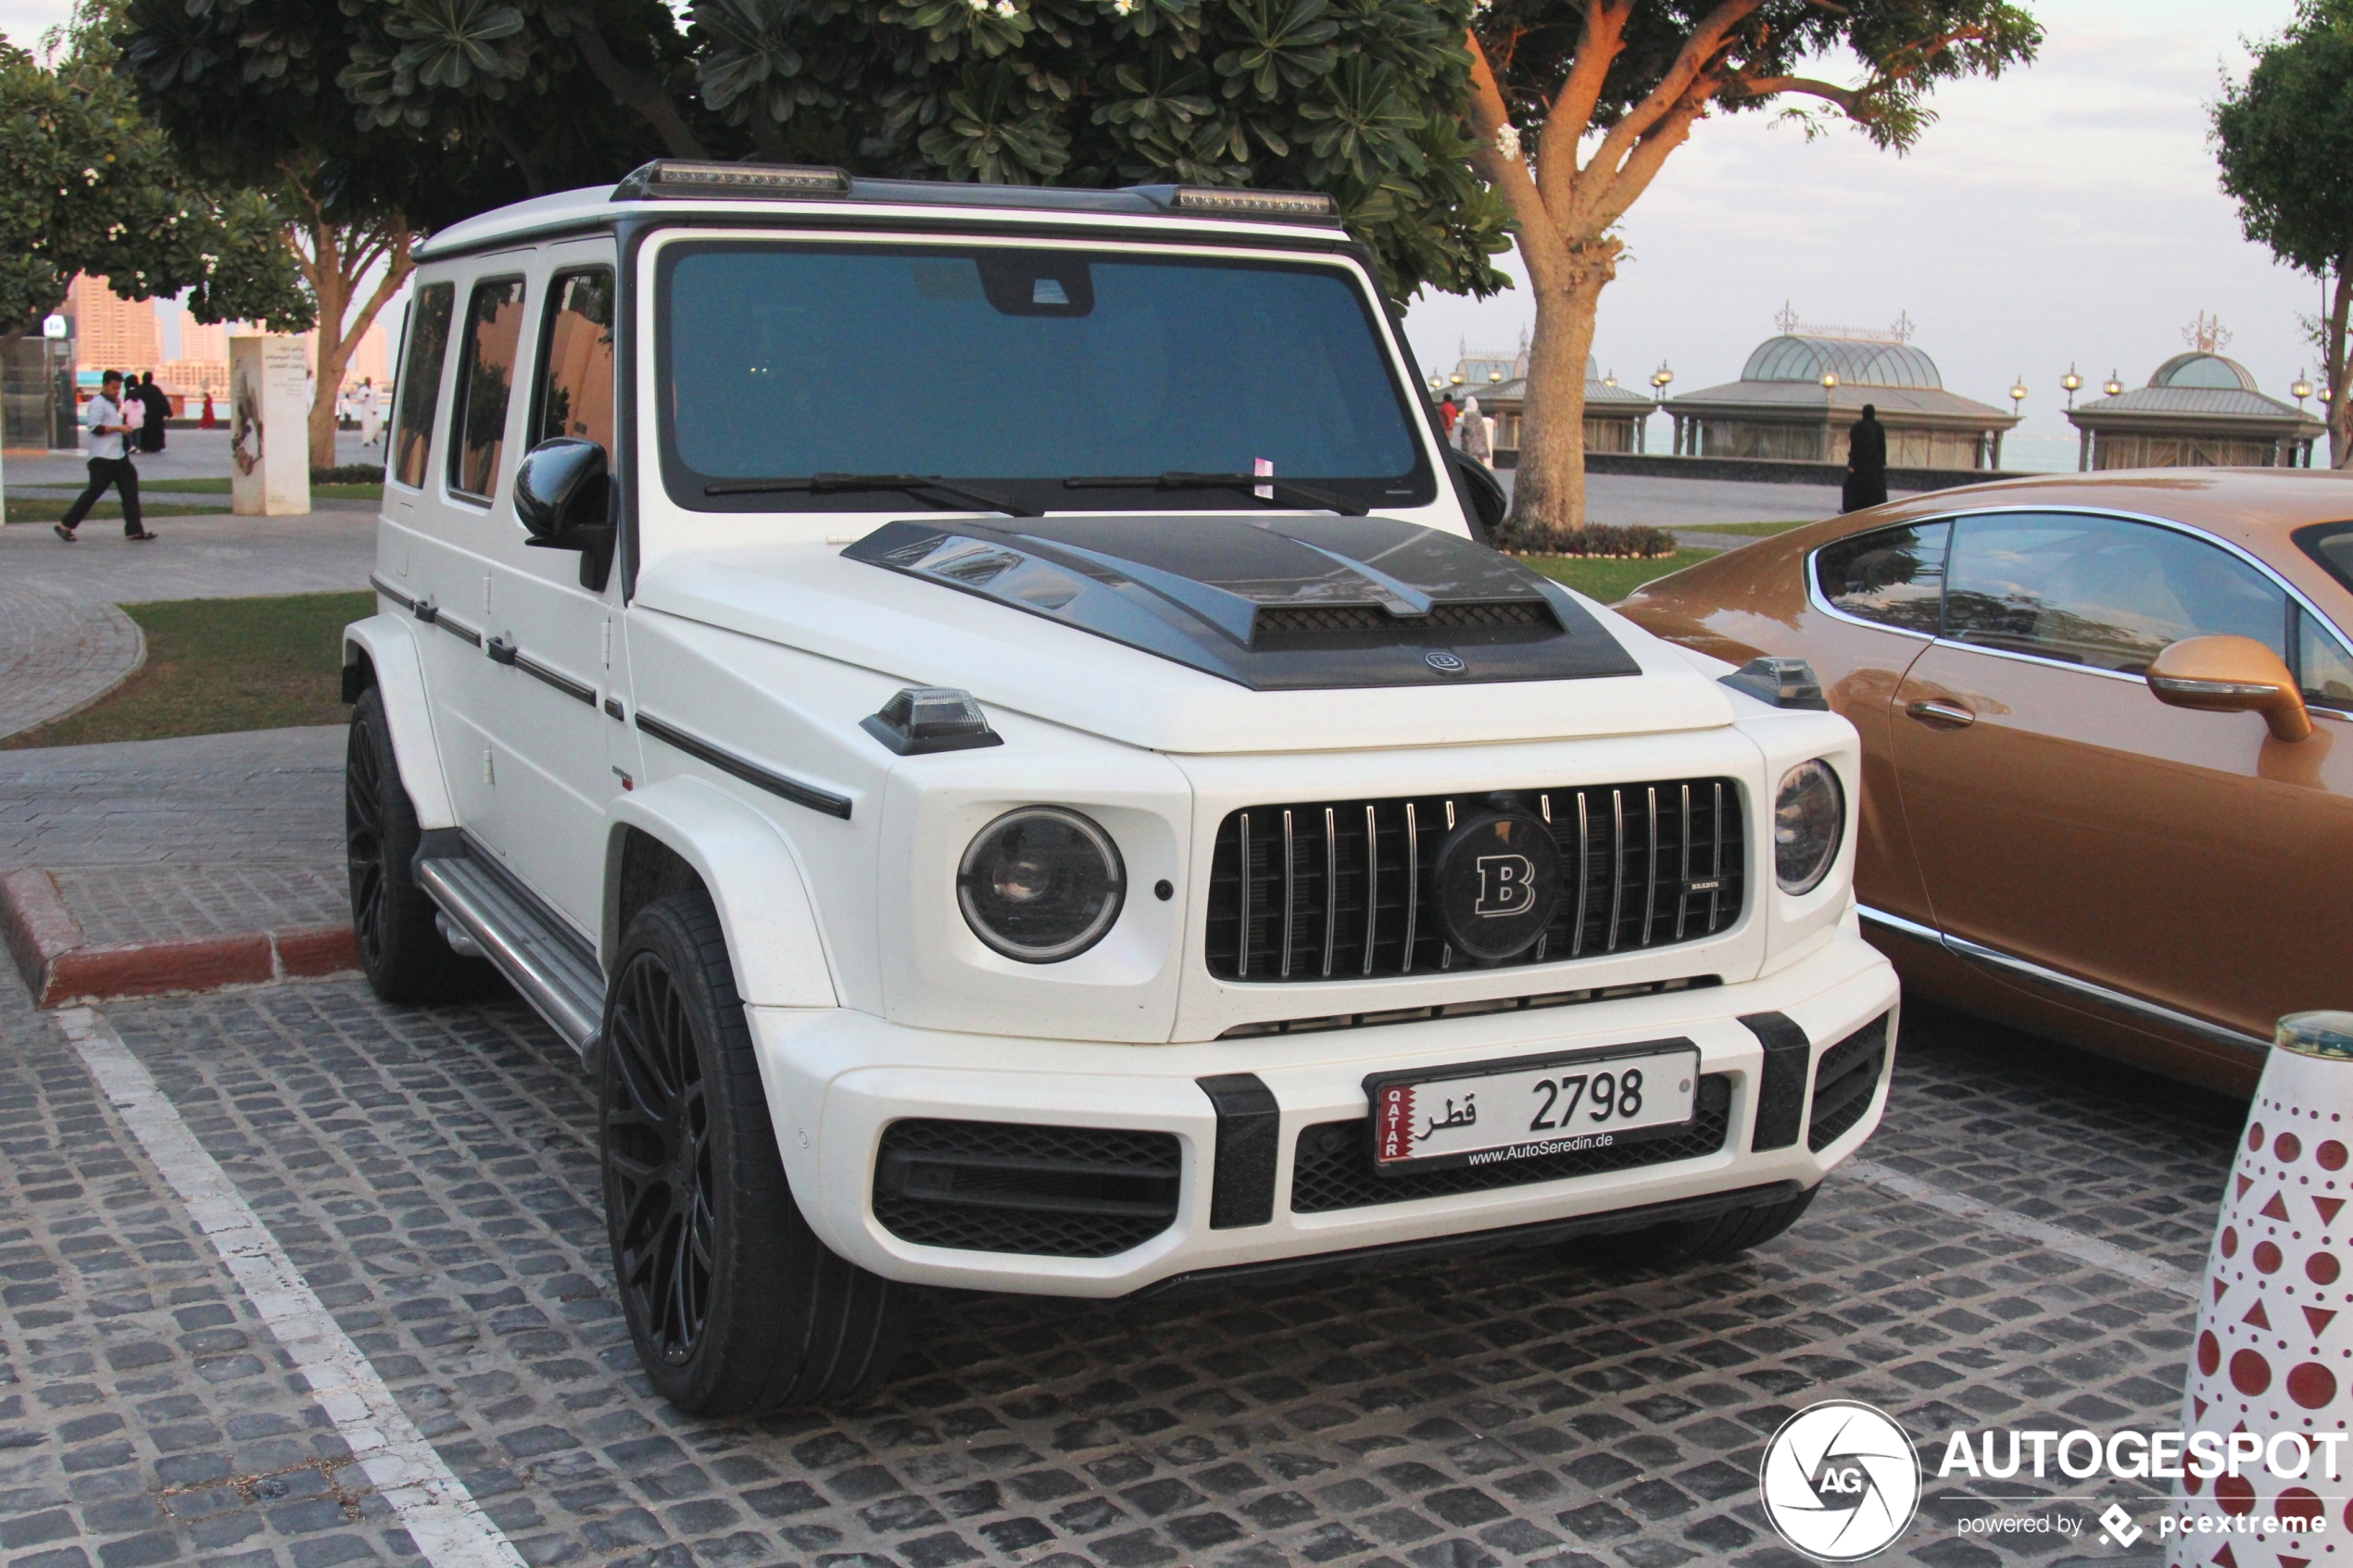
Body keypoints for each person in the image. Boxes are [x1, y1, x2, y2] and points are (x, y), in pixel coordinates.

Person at [56, 370, 155, 543]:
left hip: (118, 456)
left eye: (119, 388)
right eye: (114, 387)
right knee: (93, 492)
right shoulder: (97, 404)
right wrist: (119, 429)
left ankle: (134, 530)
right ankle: (66, 525)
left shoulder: (113, 403)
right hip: (102, 458)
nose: (117, 391)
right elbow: (95, 428)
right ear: (105, 385)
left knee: (130, 489)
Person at [1843, 403, 1888, 513]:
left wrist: (1852, 463)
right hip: (1875, 466)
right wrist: (1882, 463)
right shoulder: (1879, 426)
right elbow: (1882, 447)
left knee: (1855, 487)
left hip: (1860, 466)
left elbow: (1854, 447)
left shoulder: (1857, 427)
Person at [135, 370, 170, 453]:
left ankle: (143, 445)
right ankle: (155, 446)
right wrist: (167, 412)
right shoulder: (156, 390)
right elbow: (163, 401)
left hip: (142, 416)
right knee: (155, 432)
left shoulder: (138, 389)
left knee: (144, 431)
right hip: (155, 417)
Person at [1458, 395, 1492, 467]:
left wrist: (1462, 435)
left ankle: (1469, 467)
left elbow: (1465, 425)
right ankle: (1483, 467)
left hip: (1470, 436)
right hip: (1480, 435)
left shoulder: (1467, 413)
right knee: (1480, 453)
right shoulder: (1478, 413)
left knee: (1469, 453)